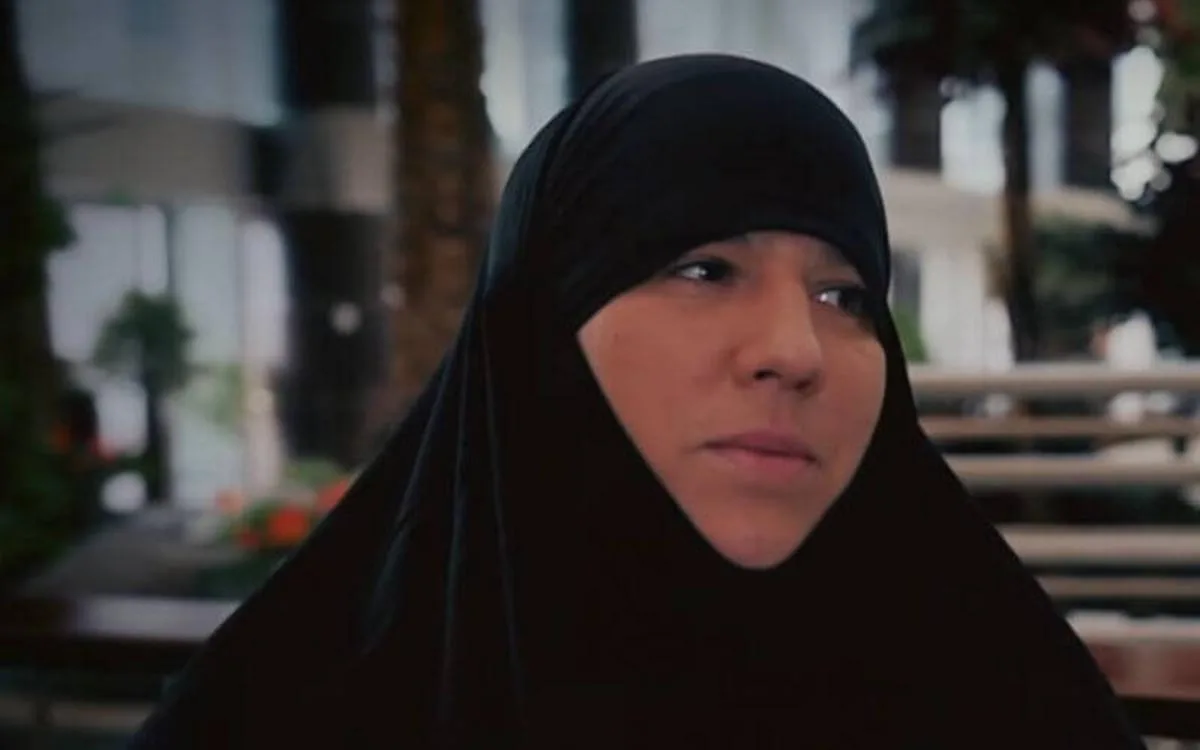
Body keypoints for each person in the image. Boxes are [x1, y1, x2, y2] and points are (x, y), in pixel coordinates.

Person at [128, 54, 1145, 749]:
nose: (795, 351)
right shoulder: (293, 709)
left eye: (846, 297)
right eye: (704, 270)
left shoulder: (1002, 699)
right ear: (544, 325)